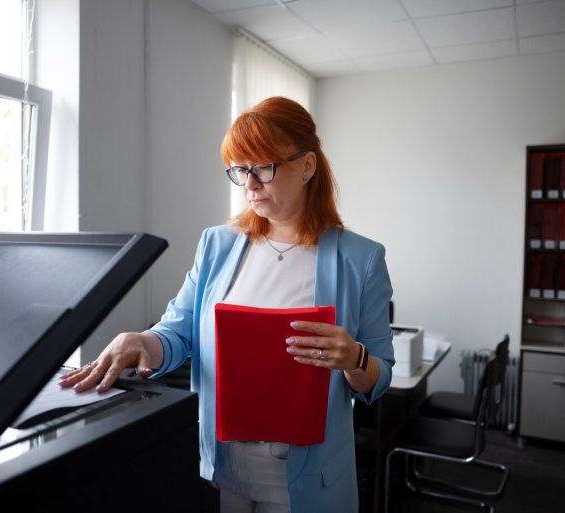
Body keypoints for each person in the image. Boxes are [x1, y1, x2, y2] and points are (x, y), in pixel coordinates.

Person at [59, 96, 395, 512]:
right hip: (223, 464)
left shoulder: (360, 259)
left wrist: (354, 357)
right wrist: (141, 341)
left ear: (307, 166)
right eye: (239, 169)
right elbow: (178, 332)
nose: (250, 184)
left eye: (264, 167)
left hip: (309, 476)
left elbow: (379, 378)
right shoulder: (218, 244)